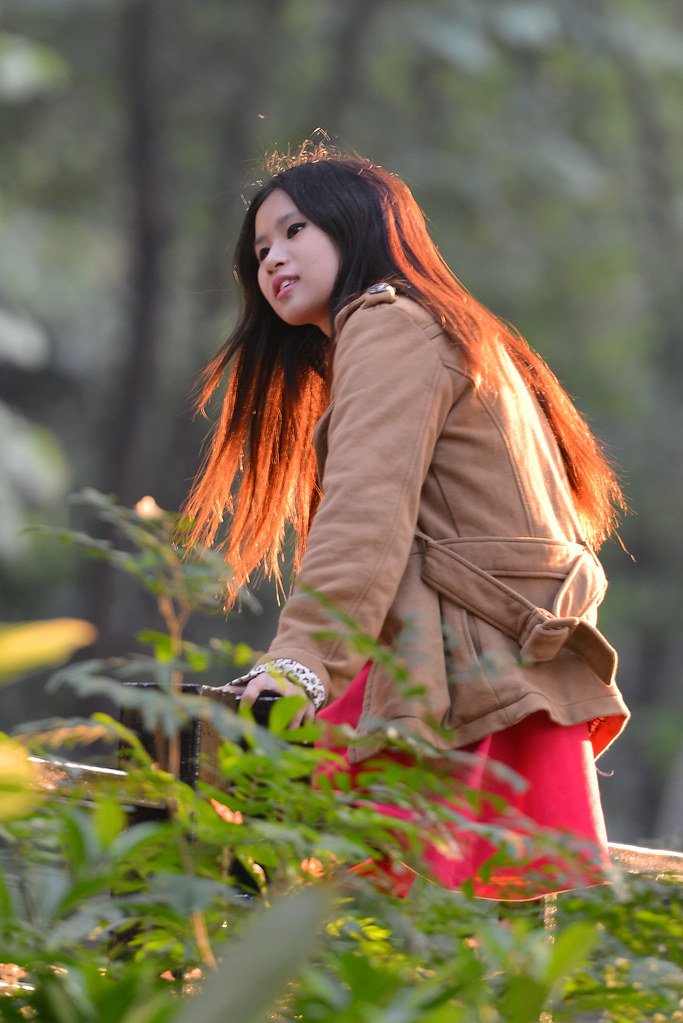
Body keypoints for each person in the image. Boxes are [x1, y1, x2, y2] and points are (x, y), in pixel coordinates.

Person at [183, 143, 630, 898]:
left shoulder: (389, 327)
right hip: (508, 667)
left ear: (358, 226)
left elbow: (366, 515)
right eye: (260, 248)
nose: (271, 259)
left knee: (231, 825)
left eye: (294, 231)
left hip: (456, 673)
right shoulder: (448, 330)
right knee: (442, 956)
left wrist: (297, 663)